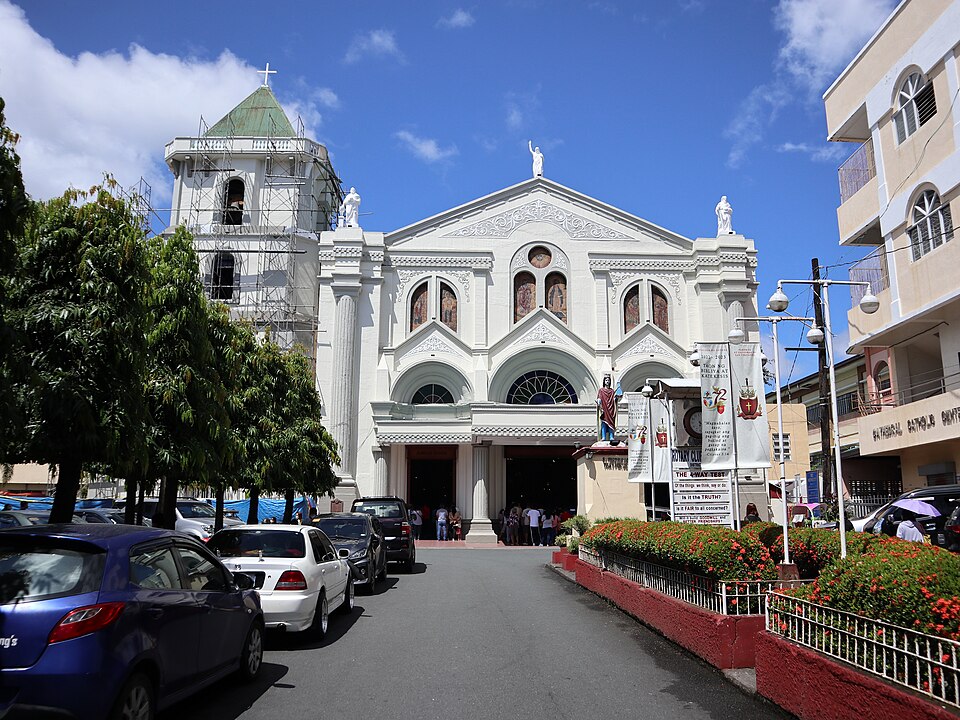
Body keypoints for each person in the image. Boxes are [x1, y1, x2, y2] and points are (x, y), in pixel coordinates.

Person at [596, 375, 623, 444]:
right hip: (604, 409)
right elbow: (599, 398)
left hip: (610, 409)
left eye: (608, 380)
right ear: (604, 381)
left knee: (611, 422)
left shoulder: (612, 391)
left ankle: (611, 436)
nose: (607, 381)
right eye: (606, 380)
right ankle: (603, 436)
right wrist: (598, 401)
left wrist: (616, 398)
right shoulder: (601, 390)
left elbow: (615, 398)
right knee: (604, 422)